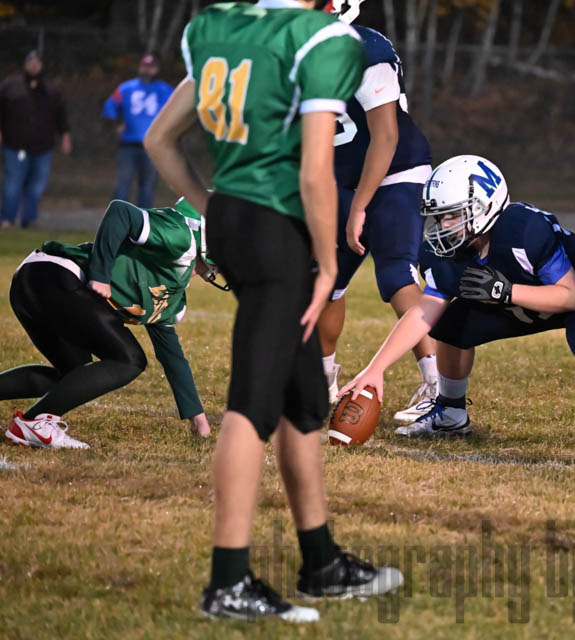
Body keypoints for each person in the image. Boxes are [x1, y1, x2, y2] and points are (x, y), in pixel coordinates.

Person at [144, 0, 401, 623]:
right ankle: (227, 582)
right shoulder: (320, 39)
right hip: (277, 228)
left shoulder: (217, 26)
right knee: (253, 405)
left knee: (304, 398)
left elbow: (159, 139)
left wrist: (212, 206)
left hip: (236, 216)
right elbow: (314, 173)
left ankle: (322, 562)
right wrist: (327, 261)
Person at [339, 155, 575, 454]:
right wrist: (375, 369)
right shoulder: (446, 253)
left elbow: (571, 296)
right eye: (439, 216)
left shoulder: (523, 229)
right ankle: (451, 414)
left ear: (483, 207)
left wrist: (506, 292)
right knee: (450, 325)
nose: (443, 225)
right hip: (520, 295)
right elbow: (422, 313)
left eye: (452, 215)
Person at [0, 198, 212, 449]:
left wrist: (197, 418)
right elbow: (121, 212)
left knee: (75, 376)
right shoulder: (181, 235)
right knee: (129, 360)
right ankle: (35, 422)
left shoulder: (174, 291)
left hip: (35, 281)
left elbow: (172, 356)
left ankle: (34, 421)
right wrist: (101, 275)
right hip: (56, 276)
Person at [317, 1, 438, 424]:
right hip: (343, 177)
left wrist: (359, 206)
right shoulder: (293, 56)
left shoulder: (365, 47)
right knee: (326, 280)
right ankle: (322, 381)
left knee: (395, 271)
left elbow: (385, 137)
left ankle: (437, 387)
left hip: (397, 168)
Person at [0, 50, 71, 229]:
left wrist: (65, 136)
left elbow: (61, 116)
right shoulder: (10, 86)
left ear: (41, 65)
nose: (34, 66)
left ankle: (29, 220)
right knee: (13, 184)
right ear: (25, 64)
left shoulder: (51, 91)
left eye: (37, 62)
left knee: (36, 187)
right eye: (31, 62)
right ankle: (7, 219)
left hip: (43, 148)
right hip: (15, 146)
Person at [102, 54, 174, 208]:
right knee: (123, 184)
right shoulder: (126, 88)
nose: (147, 70)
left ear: (156, 69)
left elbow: (176, 113)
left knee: (148, 186)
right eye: (144, 66)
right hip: (128, 144)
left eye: (151, 67)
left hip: (153, 146)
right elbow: (109, 107)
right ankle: (118, 216)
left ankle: (143, 218)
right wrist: (116, 124)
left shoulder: (165, 89)